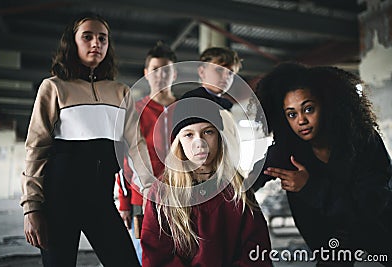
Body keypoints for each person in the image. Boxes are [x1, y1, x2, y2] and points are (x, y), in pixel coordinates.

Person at [20, 13, 154, 267]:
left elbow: (136, 146)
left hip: (101, 199)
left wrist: (150, 191)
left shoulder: (120, 92)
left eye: (102, 38)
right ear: (73, 43)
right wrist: (32, 208)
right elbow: (36, 149)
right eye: (88, 37)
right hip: (58, 201)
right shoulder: (54, 87)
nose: (96, 43)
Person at [251, 62, 392, 266]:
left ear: (327, 105)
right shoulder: (287, 150)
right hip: (330, 247)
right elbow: (248, 182)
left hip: (380, 233)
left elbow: (366, 210)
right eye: (292, 114)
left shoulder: (364, 141)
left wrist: (309, 186)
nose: (301, 120)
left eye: (308, 109)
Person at [141, 97, 272, 266]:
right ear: (178, 142)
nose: (200, 143)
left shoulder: (237, 189)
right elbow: (156, 257)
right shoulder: (163, 193)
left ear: (219, 137)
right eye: (189, 135)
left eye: (208, 132)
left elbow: (256, 248)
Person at [116, 41, 177, 264]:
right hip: (142, 199)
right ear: (146, 73)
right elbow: (124, 159)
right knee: (145, 257)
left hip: (181, 196)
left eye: (166, 71)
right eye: (155, 70)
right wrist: (124, 202)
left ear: (174, 74)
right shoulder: (135, 110)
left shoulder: (186, 109)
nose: (160, 76)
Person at [181, 47, 242, 170]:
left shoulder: (226, 106)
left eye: (230, 72)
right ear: (202, 72)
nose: (226, 76)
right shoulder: (192, 102)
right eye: (220, 69)